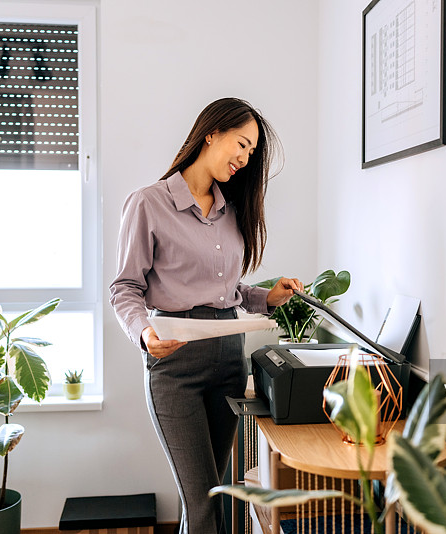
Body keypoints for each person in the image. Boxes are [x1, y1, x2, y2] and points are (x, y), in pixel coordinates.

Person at [109, 97, 303, 534]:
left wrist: (266, 297)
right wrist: (143, 334)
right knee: (202, 504)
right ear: (211, 132)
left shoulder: (231, 212)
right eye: (241, 143)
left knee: (209, 496)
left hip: (229, 361)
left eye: (251, 152)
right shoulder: (147, 204)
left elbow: (227, 293)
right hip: (175, 364)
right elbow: (124, 288)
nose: (244, 157)